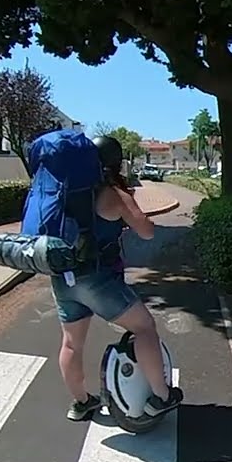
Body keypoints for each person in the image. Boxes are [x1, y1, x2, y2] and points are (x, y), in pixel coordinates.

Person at [54, 135, 182, 422]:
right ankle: (161, 397)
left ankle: (81, 402)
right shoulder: (113, 193)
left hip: (64, 276)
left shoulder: (66, 188)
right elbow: (147, 231)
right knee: (144, 328)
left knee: (72, 343)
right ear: (116, 162)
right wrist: (130, 213)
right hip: (98, 278)